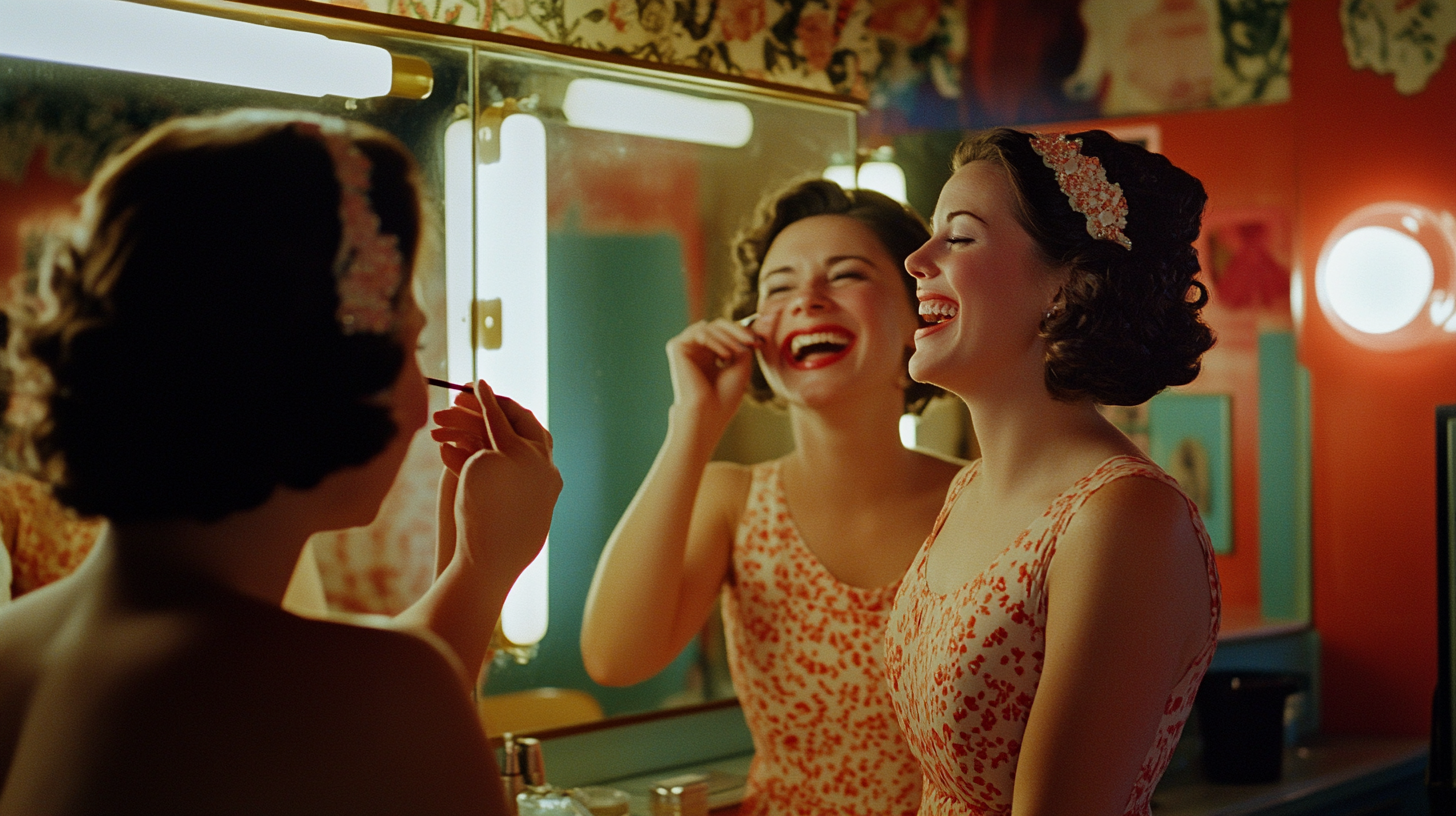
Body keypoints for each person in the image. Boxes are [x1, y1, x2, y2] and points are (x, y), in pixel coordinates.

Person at [0, 109, 561, 814]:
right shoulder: (388, 691)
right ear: (328, 370)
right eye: (409, 350)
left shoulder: (16, 656)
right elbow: (356, 708)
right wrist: (483, 576)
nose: (423, 401)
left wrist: (476, 570)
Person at [580, 178, 965, 816]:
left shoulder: (980, 499)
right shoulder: (732, 502)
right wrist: (692, 427)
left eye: (845, 276)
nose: (807, 300)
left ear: (916, 316)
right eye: (779, 287)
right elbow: (616, 660)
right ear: (756, 334)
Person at [885, 127, 1221, 815]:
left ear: (1069, 285)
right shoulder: (967, 489)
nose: (918, 260)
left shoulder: (1124, 518)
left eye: (962, 236)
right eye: (929, 234)